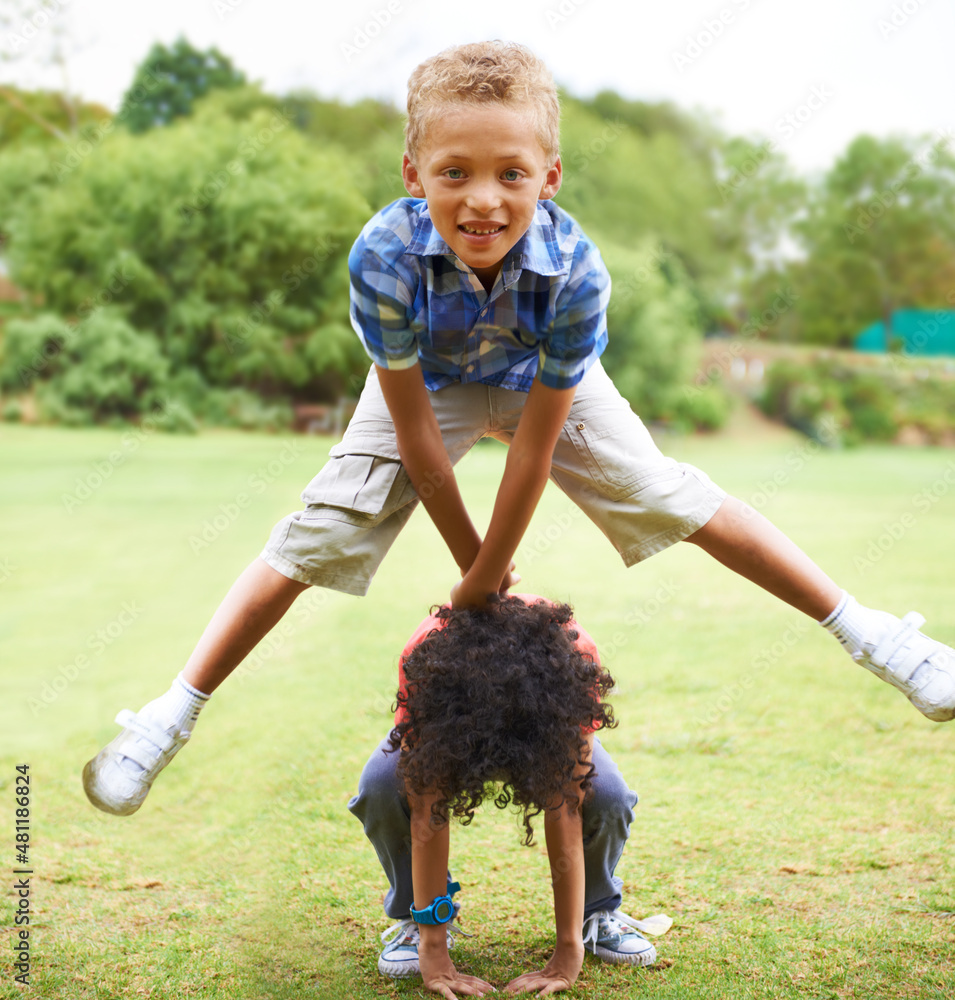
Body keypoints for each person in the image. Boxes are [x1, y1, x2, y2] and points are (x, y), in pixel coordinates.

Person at [83, 40, 955, 818]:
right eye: (453, 172)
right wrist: (480, 579)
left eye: (510, 173)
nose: (482, 200)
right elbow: (421, 441)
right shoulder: (381, 257)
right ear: (412, 174)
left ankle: (871, 634)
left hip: (540, 383)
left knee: (664, 490)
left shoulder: (575, 272)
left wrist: (483, 580)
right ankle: (171, 714)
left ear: (550, 177)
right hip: (429, 385)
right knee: (324, 524)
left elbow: (532, 450)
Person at [349, 594, 668, 997]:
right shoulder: (430, 659)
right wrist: (433, 951)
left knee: (606, 796)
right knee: (381, 785)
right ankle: (419, 919)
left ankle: (593, 911)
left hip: (542, 726)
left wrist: (567, 951)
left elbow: (565, 805)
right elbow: (428, 806)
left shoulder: (570, 659)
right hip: (453, 726)